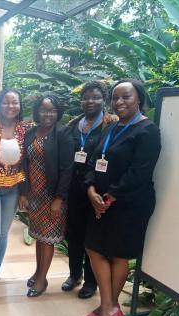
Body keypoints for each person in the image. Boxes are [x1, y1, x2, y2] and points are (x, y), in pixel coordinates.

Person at [83, 79, 161, 316]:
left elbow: (139, 172)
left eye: (125, 97)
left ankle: (108, 307)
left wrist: (109, 198)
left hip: (130, 205)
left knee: (118, 255)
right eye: (115, 97)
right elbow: (95, 161)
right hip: (102, 201)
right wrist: (91, 190)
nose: (119, 102)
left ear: (139, 99)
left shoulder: (148, 130)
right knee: (93, 247)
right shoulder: (112, 128)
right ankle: (110, 305)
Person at [61, 81, 118, 299]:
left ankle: (90, 282)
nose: (90, 101)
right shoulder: (74, 124)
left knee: (92, 239)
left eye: (95, 97)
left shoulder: (111, 124)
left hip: (95, 189)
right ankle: (74, 275)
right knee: (73, 235)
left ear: (104, 100)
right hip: (74, 189)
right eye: (85, 97)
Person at [20, 95, 74, 297]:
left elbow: (67, 169)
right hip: (34, 195)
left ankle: (42, 280)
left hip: (52, 196)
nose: (48, 114)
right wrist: (24, 193)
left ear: (57, 112)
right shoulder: (31, 133)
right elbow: (25, 164)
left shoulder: (62, 133)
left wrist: (59, 199)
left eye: (52, 110)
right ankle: (37, 271)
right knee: (39, 237)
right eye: (43, 110)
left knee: (48, 238)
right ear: (37, 112)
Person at [0, 89, 32, 279]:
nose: (10, 106)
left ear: (20, 106)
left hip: (14, 189)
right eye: (6, 102)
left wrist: (24, 193)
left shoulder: (26, 129)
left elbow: (29, 161)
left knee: (4, 233)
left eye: (15, 103)